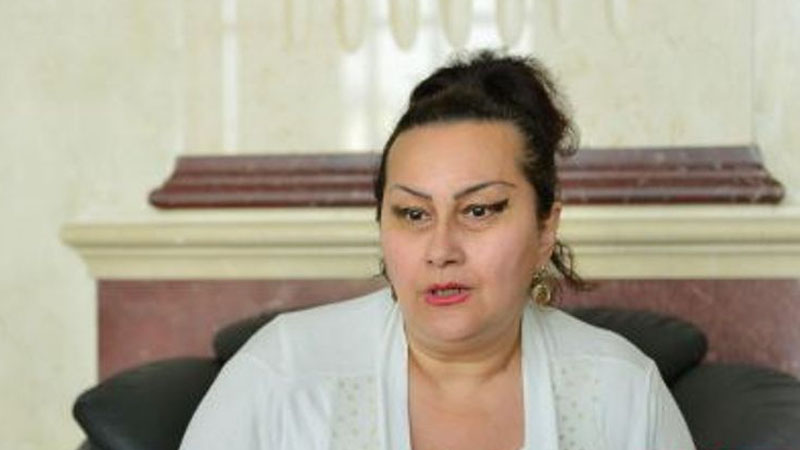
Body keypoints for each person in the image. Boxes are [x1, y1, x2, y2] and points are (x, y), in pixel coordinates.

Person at [179, 51, 695, 450]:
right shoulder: (282, 376)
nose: (441, 249)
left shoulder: (621, 391)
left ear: (545, 229)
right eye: (413, 214)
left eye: (479, 210)